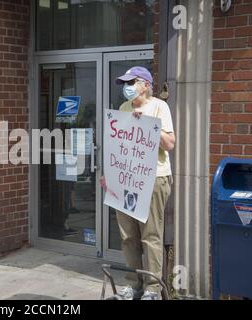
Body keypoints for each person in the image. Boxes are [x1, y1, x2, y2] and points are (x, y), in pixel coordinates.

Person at [100, 66, 175, 300]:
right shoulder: (123, 108)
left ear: (145, 84)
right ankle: (133, 284)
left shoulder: (159, 107)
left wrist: (148, 124)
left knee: (150, 235)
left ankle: (153, 288)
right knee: (128, 235)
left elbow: (170, 144)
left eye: (131, 82)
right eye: (125, 83)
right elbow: (119, 146)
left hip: (153, 178)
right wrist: (109, 174)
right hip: (126, 179)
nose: (127, 87)